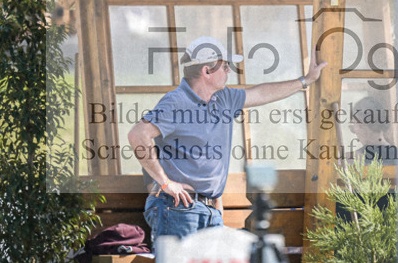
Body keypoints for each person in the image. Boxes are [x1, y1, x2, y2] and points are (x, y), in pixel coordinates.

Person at [128, 36, 327, 241]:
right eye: (225, 66)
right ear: (206, 71)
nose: (229, 71)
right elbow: (138, 135)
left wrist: (306, 80)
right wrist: (165, 183)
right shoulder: (175, 102)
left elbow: (261, 93)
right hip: (179, 209)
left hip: (208, 211)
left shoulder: (224, 99)